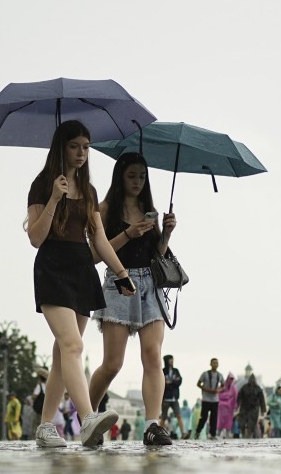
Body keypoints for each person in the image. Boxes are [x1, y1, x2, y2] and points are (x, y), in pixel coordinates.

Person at [26, 120, 135, 449]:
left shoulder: (89, 193)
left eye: (86, 147)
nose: (82, 153)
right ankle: (87, 418)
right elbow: (35, 237)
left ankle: (46, 427)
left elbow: (99, 238)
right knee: (73, 346)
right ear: (61, 148)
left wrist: (121, 273)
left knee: (62, 354)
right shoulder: (43, 185)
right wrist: (54, 201)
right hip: (52, 267)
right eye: (75, 146)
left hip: (81, 270)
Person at [88, 152, 178, 447]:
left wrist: (165, 234)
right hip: (118, 282)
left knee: (152, 356)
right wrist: (128, 233)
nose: (138, 181)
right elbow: (94, 254)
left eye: (142, 176)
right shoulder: (104, 209)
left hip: (149, 285)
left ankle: (153, 425)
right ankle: (88, 416)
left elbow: (158, 255)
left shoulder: (149, 210)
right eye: (132, 176)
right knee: (113, 363)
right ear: (120, 177)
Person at [190, 358, 223, 439]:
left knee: (214, 418)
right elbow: (198, 383)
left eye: (216, 363)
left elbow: (223, 385)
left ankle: (213, 434)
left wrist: (218, 390)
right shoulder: (205, 374)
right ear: (210, 364)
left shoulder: (220, 375)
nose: (215, 364)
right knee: (204, 417)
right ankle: (198, 432)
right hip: (206, 399)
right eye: (213, 363)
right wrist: (206, 389)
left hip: (215, 399)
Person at [159, 355, 187, 438]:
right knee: (163, 417)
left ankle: (183, 433)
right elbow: (162, 382)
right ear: (167, 361)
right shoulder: (163, 371)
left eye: (172, 360)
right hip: (165, 398)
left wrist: (170, 382)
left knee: (178, 415)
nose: (172, 361)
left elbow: (179, 381)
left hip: (174, 397)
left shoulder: (176, 370)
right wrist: (173, 382)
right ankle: (160, 434)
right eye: (170, 360)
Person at [237, 374, 266, 439]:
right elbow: (239, 397)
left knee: (252, 423)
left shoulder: (258, 389)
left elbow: (262, 400)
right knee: (242, 422)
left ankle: (249, 435)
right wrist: (237, 405)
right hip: (244, 407)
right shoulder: (244, 387)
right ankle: (243, 434)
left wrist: (263, 411)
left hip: (254, 409)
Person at [217, 373, 238, 438]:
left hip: (229, 408)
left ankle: (227, 435)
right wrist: (226, 396)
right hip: (221, 407)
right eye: (230, 379)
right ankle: (218, 433)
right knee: (220, 421)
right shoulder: (223, 386)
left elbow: (235, 397)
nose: (231, 380)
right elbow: (217, 394)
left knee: (228, 422)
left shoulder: (233, 388)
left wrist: (235, 406)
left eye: (232, 379)